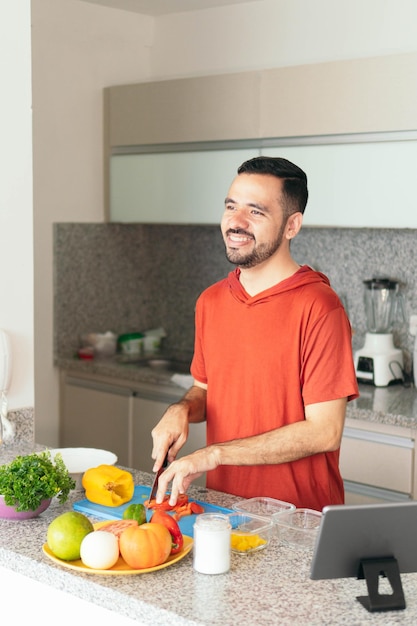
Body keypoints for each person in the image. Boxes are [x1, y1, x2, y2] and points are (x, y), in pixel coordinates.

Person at [151, 156, 359, 511]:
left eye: (256, 212)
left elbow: (325, 431)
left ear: (292, 225)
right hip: (224, 513)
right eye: (231, 206)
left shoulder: (319, 306)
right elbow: (207, 389)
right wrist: (182, 409)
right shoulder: (211, 301)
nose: (236, 222)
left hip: (298, 522)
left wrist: (214, 455)